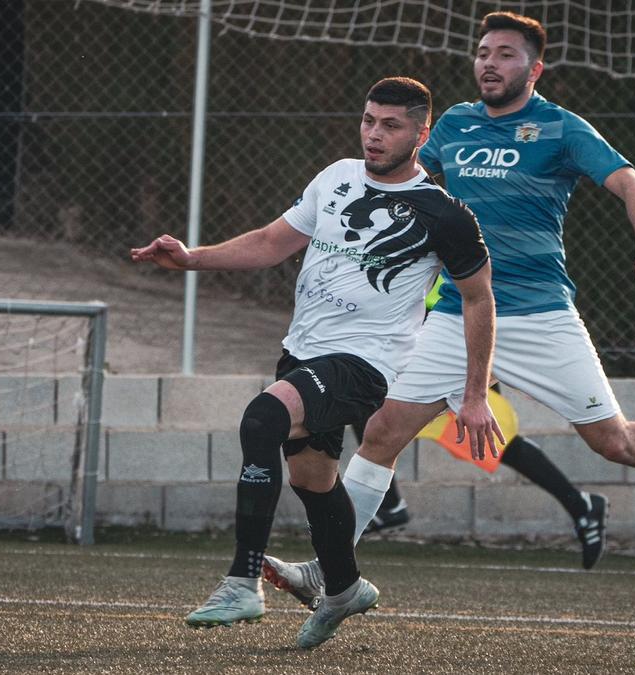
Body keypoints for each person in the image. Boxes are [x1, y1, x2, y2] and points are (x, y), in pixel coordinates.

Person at [264, 11, 635, 616]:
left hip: (541, 313)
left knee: (613, 442)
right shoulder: (455, 125)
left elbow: (633, 186)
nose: (490, 63)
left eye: (506, 55)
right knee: (384, 432)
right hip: (454, 312)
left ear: (534, 68)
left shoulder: (561, 128)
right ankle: (329, 570)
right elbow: (401, 182)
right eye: (484, 52)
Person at [131, 76, 499, 649]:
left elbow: (479, 298)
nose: (375, 135)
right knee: (313, 479)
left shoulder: (445, 214)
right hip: (302, 351)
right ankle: (345, 587)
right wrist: (191, 259)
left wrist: (473, 395)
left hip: (367, 363)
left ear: (421, 133)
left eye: (391, 126)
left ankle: (241, 579)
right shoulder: (335, 176)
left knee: (262, 418)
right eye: (369, 121)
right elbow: (273, 241)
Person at [357, 276, 610, 571]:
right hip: (444, 322)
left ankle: (581, 505)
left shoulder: (467, 234)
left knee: (494, 438)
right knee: (371, 406)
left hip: (459, 325)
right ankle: (389, 504)